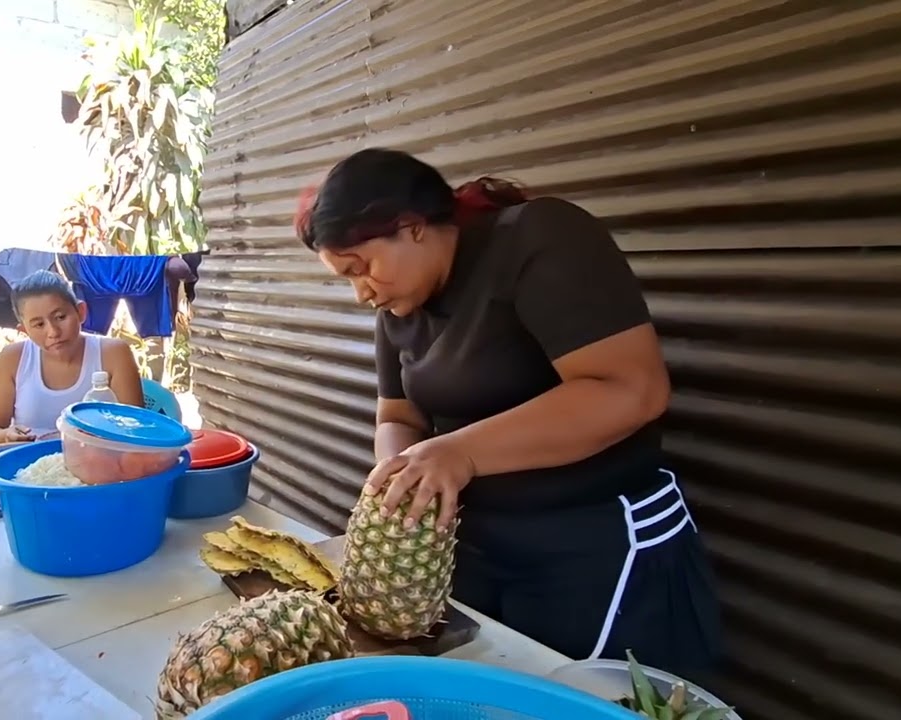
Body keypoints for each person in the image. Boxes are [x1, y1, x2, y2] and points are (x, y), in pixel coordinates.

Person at [296, 148, 721, 677]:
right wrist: (399, 475)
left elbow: (632, 389)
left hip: (595, 545)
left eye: (362, 269)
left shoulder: (537, 238)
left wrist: (460, 452)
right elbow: (398, 417)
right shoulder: (401, 305)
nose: (362, 293)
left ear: (411, 227)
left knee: (588, 703)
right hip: (475, 547)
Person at [0, 269, 145, 446]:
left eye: (60, 317)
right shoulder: (13, 359)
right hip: (31, 466)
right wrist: (7, 435)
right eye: (39, 324)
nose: (53, 332)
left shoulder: (113, 354)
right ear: (24, 330)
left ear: (81, 312)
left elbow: (134, 430)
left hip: (100, 463)